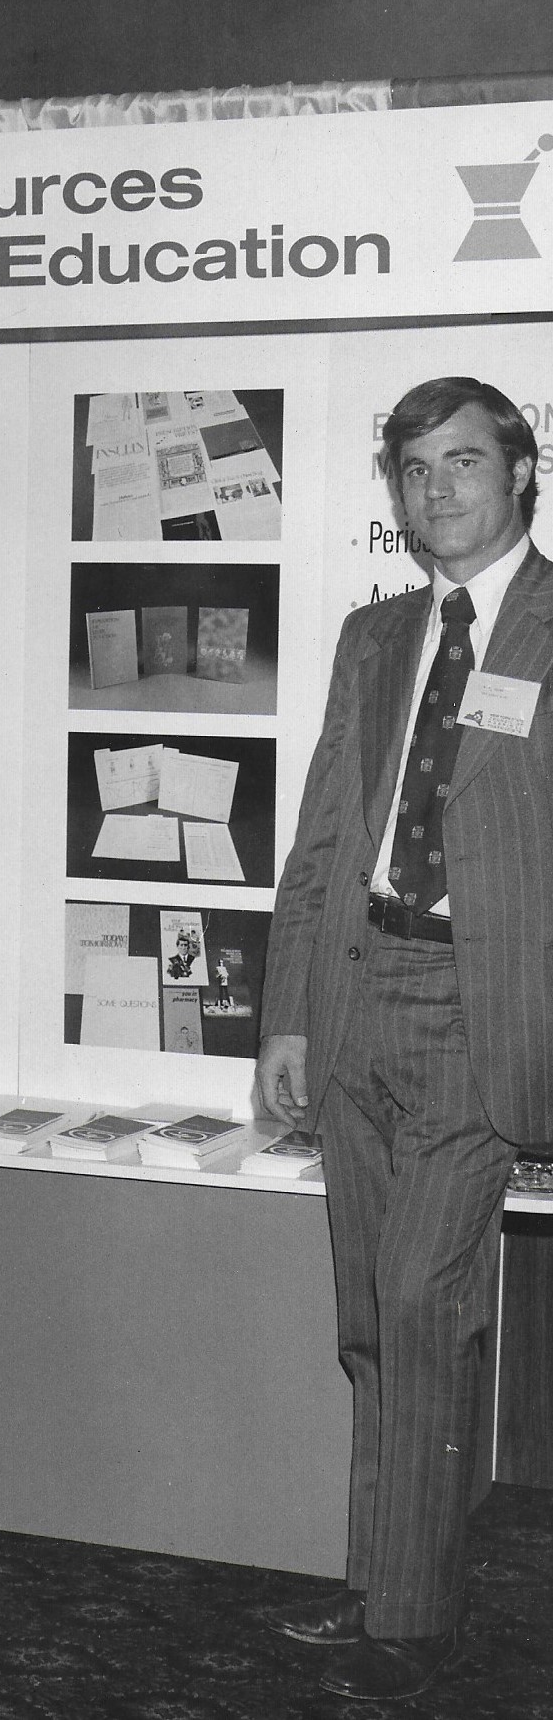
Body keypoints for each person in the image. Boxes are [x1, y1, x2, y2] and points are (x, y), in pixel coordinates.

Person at [254, 376, 550, 1700]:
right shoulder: (377, 636)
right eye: (418, 470)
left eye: (466, 465)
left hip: (476, 1019)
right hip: (358, 994)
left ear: (523, 475)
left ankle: (414, 1625)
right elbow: (322, 840)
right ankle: (384, 1581)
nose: (440, 490)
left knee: (428, 1310)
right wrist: (286, 1020)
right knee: (374, 1322)